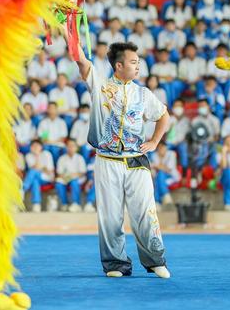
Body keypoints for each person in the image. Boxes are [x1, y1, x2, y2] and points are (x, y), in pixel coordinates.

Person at [73, 39, 171, 279]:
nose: (138, 67)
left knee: (145, 212)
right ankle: (116, 264)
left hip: (137, 160)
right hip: (107, 160)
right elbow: (81, 61)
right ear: (118, 66)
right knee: (110, 215)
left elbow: (163, 115)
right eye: (134, 62)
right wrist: (69, 32)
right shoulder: (101, 86)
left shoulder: (144, 94)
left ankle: (155, 260)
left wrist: (155, 142)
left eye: (138, 62)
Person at [22, 139, 54, 212]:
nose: (35, 148)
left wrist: (38, 157)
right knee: (35, 181)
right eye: (33, 146)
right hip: (36, 177)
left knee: (33, 172)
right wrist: (37, 157)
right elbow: (36, 167)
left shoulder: (47, 154)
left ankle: (23, 188)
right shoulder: (28, 155)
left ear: (41, 147)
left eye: (37, 146)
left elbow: (49, 171)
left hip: (47, 178)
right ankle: (36, 204)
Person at [55, 139, 87, 212]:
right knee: (59, 183)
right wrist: (67, 177)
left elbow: (82, 172)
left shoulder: (80, 158)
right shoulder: (62, 158)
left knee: (74, 181)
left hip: (78, 177)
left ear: (76, 148)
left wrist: (73, 175)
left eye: (73, 146)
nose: (71, 148)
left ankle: (76, 204)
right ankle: (64, 204)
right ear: (66, 147)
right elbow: (59, 172)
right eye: (69, 146)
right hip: (65, 177)